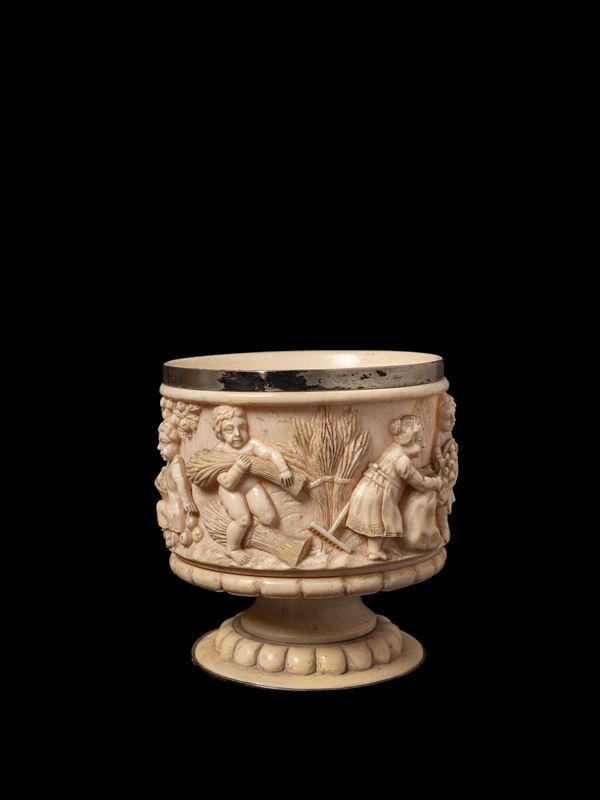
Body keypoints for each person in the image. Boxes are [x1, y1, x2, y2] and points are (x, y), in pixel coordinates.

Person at [347, 415, 442, 561]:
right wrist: (436, 483)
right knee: (379, 523)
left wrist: (424, 471)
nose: (424, 446)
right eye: (420, 441)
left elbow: (410, 474)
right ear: (409, 442)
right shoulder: (402, 461)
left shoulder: (393, 449)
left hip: (366, 490)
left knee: (377, 523)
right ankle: (374, 552)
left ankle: (375, 550)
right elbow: (420, 484)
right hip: (376, 496)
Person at [211, 405, 293, 565]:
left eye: (241, 427)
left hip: (249, 486)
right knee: (242, 520)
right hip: (230, 490)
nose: (237, 434)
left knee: (269, 518)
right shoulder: (218, 452)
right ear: (219, 432)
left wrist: (283, 469)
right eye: (229, 429)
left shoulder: (251, 445)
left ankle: (250, 529)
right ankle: (232, 548)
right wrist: (238, 468)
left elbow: (270, 453)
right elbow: (227, 483)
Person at [155, 421, 199, 547]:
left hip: (177, 511)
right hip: (171, 508)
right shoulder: (170, 464)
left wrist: (187, 500)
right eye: (160, 442)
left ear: (178, 443)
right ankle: (170, 536)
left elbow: (181, 481)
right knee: (160, 505)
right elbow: (169, 487)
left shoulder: (176, 462)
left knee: (178, 543)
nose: (158, 447)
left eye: (164, 442)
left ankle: (173, 538)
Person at [432, 393, 458, 543]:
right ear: (439, 418)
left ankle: (442, 524)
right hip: (440, 472)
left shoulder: (447, 432)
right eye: (448, 417)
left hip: (447, 475)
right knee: (440, 498)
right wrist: (440, 458)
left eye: (453, 416)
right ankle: (440, 526)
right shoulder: (439, 434)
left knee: (445, 497)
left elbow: (451, 448)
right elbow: (436, 449)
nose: (453, 420)